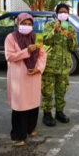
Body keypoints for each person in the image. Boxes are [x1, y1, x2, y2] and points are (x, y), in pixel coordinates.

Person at [5, 13, 47, 146]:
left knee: (33, 103)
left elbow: (42, 54)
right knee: (20, 106)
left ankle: (30, 128)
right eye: (24, 23)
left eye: (29, 24)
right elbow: (9, 56)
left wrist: (39, 68)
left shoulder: (36, 37)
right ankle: (18, 136)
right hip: (19, 77)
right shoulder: (11, 38)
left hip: (33, 75)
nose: (26, 26)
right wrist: (26, 51)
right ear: (18, 23)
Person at [42, 3, 78, 126]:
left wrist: (70, 39)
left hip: (64, 66)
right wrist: (54, 31)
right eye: (61, 12)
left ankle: (59, 112)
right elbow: (44, 40)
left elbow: (74, 47)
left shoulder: (70, 28)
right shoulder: (49, 25)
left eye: (65, 12)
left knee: (61, 91)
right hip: (50, 65)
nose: (63, 14)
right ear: (57, 14)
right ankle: (47, 114)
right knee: (47, 91)